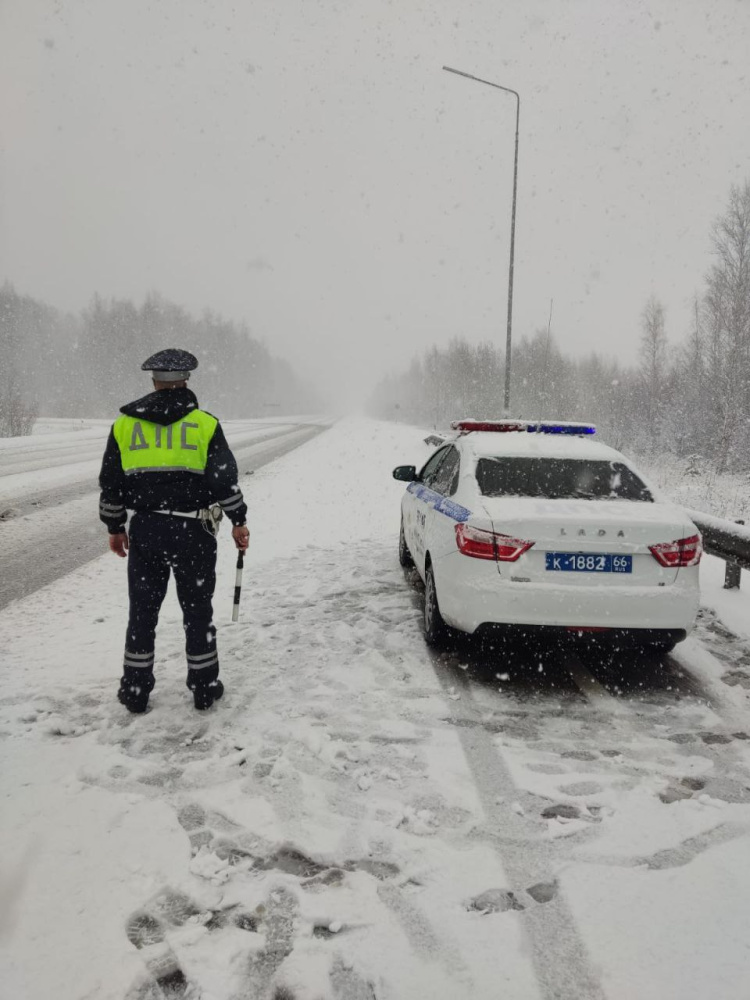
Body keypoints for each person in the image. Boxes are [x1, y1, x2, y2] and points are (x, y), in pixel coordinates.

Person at [98, 348, 250, 713]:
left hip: (146, 529)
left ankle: (135, 691)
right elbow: (223, 480)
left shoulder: (124, 425)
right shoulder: (205, 424)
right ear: (186, 380)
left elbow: (111, 482)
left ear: (153, 381)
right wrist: (238, 520)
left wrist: (116, 527)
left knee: (142, 611)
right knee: (197, 610)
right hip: (193, 530)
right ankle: (204, 686)